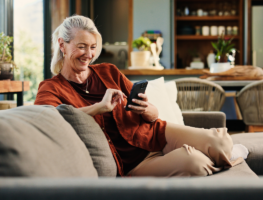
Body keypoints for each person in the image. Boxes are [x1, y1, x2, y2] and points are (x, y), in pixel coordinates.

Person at [35, 15, 243, 177]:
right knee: (195, 164)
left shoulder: (108, 71)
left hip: (155, 134)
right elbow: (46, 120)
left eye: (92, 47)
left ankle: (212, 153)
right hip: (134, 163)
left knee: (221, 143)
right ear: (62, 45)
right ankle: (199, 157)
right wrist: (98, 107)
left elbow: (151, 113)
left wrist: (148, 110)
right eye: (81, 47)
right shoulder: (51, 88)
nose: (88, 54)